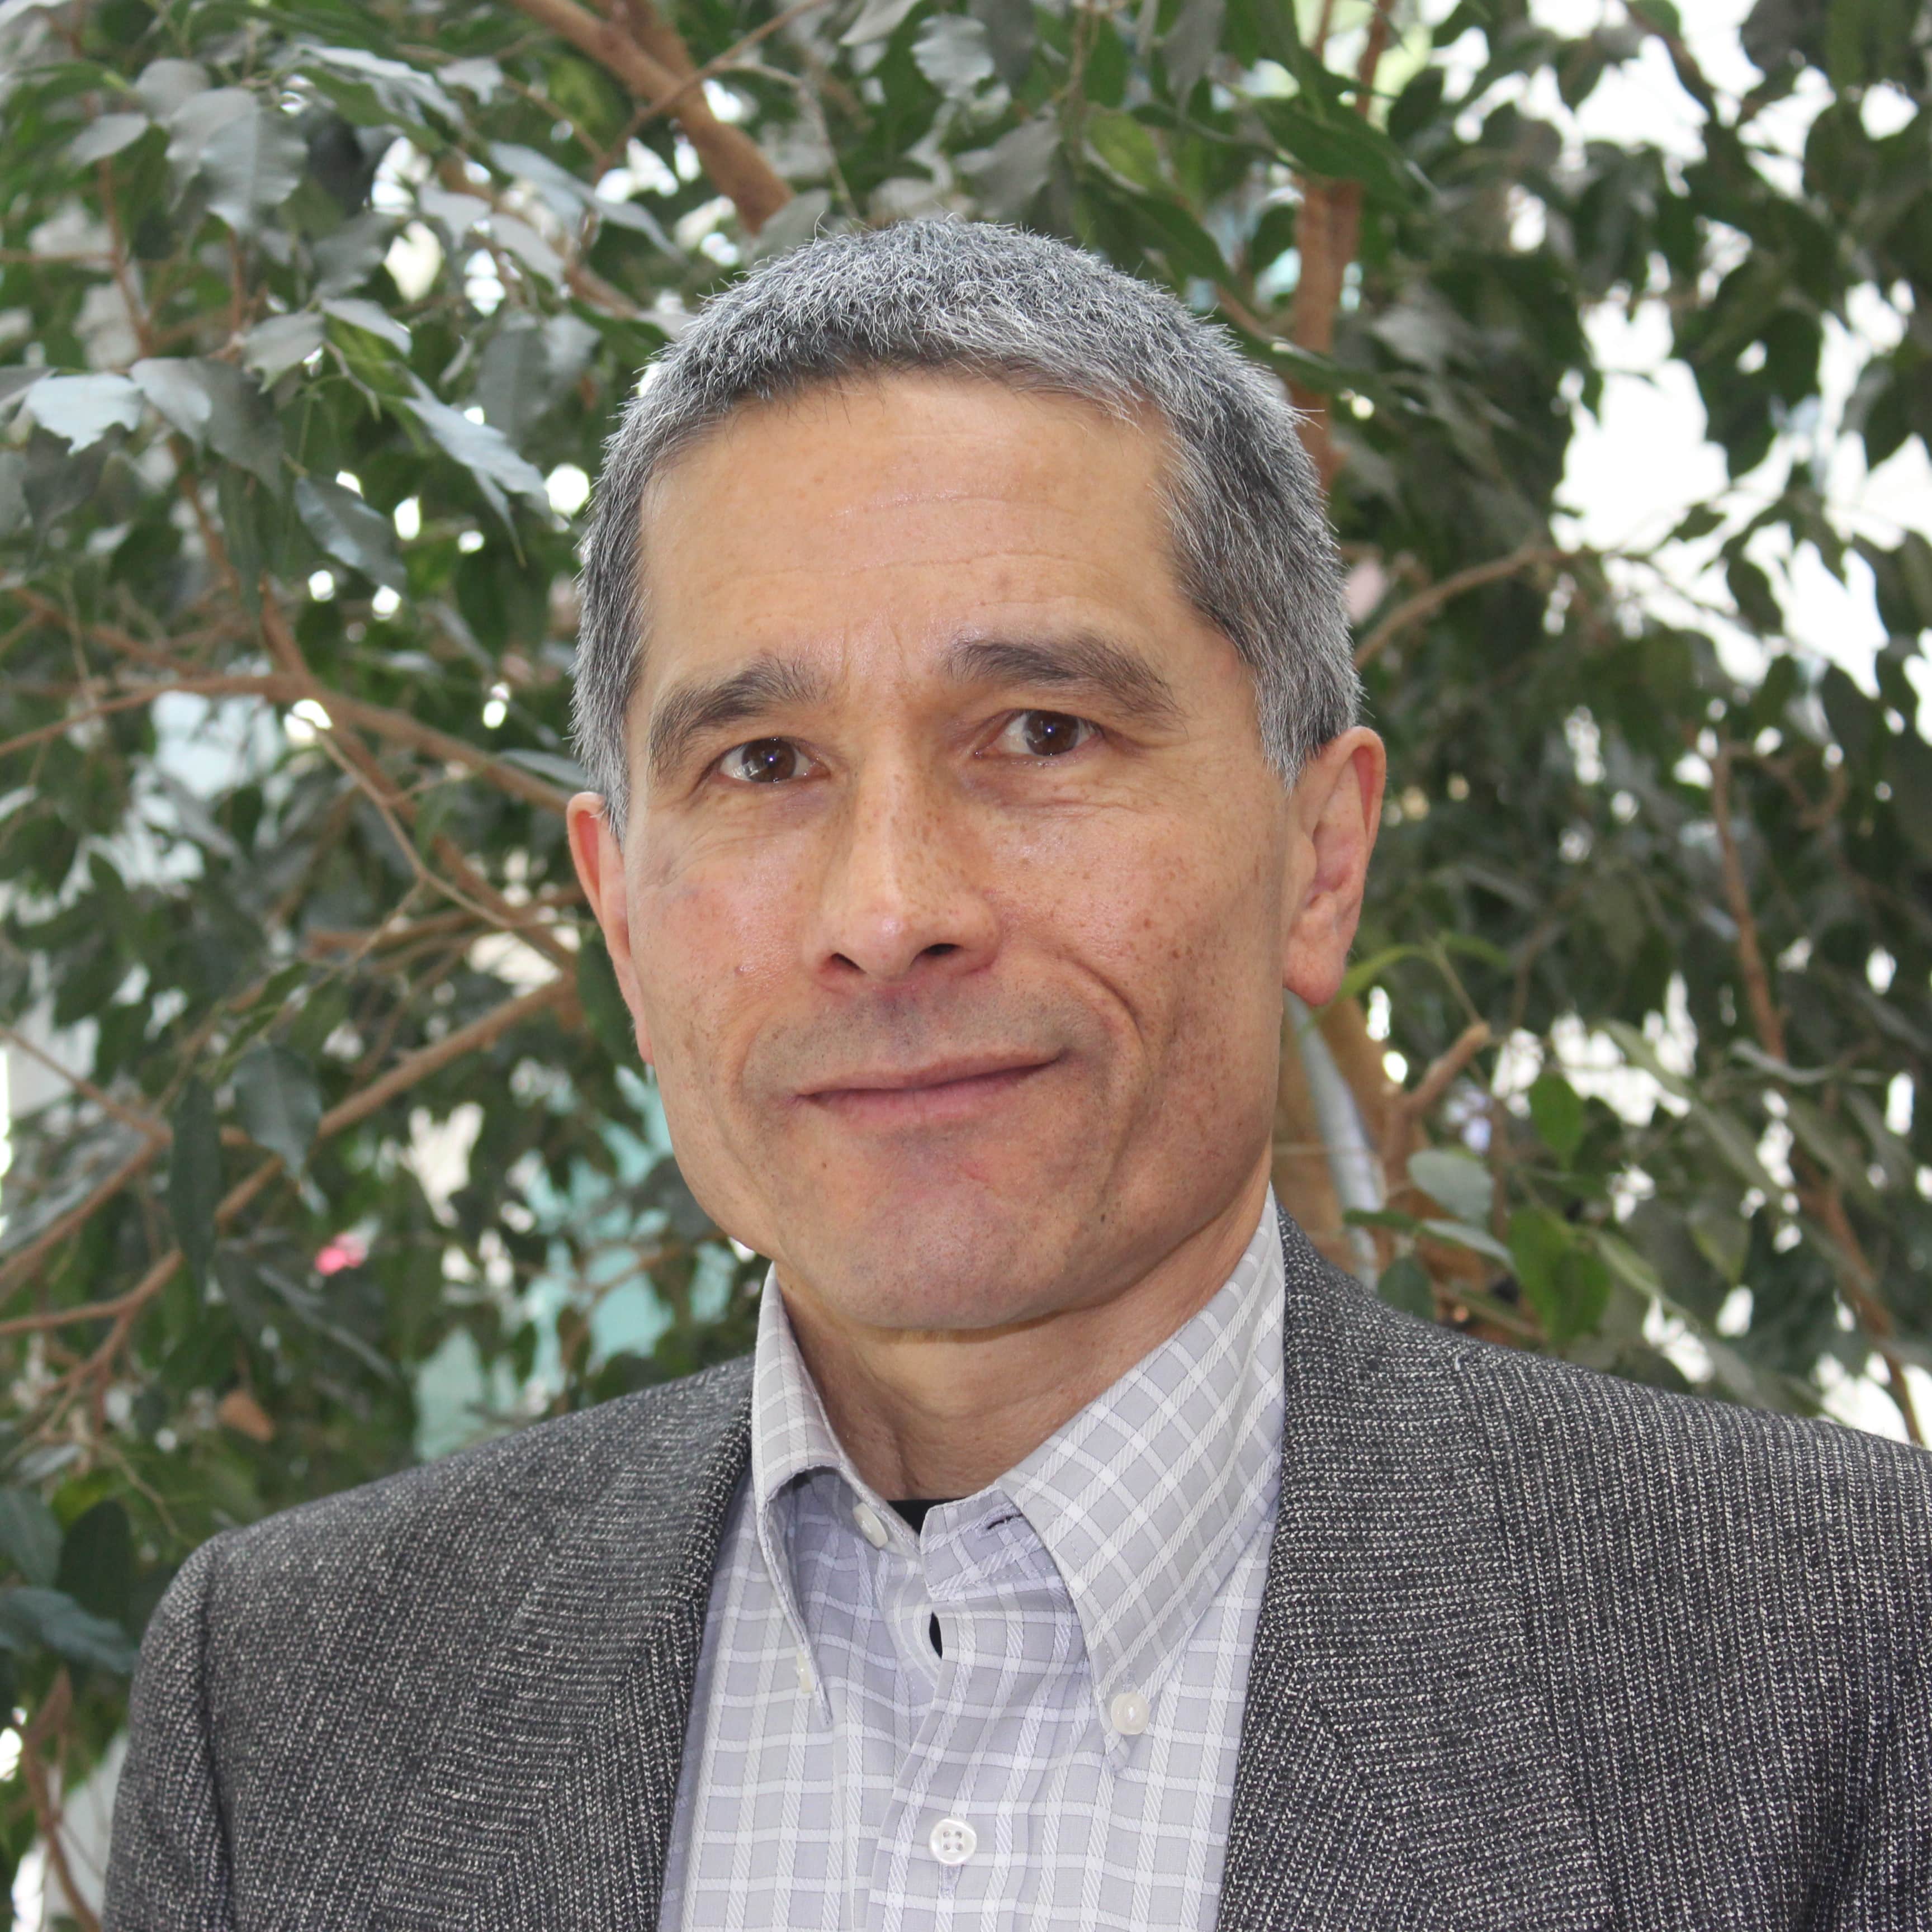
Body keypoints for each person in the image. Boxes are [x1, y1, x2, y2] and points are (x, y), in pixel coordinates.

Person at [105, 220, 1930, 1932]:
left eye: (1041, 733)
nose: (889, 912)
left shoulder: (1834, 1662)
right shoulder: (285, 1710)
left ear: (1319, 854)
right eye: (759, 763)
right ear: (620, 914)